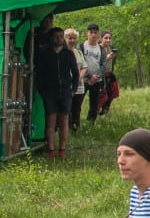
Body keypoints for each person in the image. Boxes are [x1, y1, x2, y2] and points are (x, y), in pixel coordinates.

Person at [33, 26, 80, 160]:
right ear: (51, 38)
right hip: (49, 92)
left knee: (64, 120)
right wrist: (42, 90)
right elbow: (39, 73)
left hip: (65, 91)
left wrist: (73, 89)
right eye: (56, 37)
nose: (58, 39)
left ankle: (62, 149)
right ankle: (51, 150)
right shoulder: (45, 53)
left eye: (60, 36)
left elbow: (75, 73)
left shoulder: (68, 54)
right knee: (51, 121)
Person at [80, 24, 108, 122]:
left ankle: (91, 122)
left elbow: (104, 64)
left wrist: (96, 76)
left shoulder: (101, 49)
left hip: (97, 80)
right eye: (91, 32)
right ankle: (74, 123)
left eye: (95, 33)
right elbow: (80, 62)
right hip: (83, 79)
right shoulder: (82, 46)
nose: (93, 35)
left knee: (94, 103)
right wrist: (89, 76)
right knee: (78, 102)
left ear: (98, 35)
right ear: (87, 33)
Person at [64, 28, 88, 132]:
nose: (72, 41)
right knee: (67, 108)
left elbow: (84, 67)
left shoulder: (78, 52)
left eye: (74, 38)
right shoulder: (62, 52)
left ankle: (76, 127)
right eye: (70, 38)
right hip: (66, 85)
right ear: (65, 39)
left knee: (77, 107)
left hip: (79, 84)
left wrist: (78, 78)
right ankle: (67, 127)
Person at [98, 30, 120, 116]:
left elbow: (112, 62)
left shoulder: (112, 48)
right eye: (106, 38)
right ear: (101, 38)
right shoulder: (98, 49)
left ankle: (105, 112)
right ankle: (95, 111)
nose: (108, 40)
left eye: (109, 38)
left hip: (110, 74)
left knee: (112, 94)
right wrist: (106, 58)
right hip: (100, 74)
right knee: (102, 95)